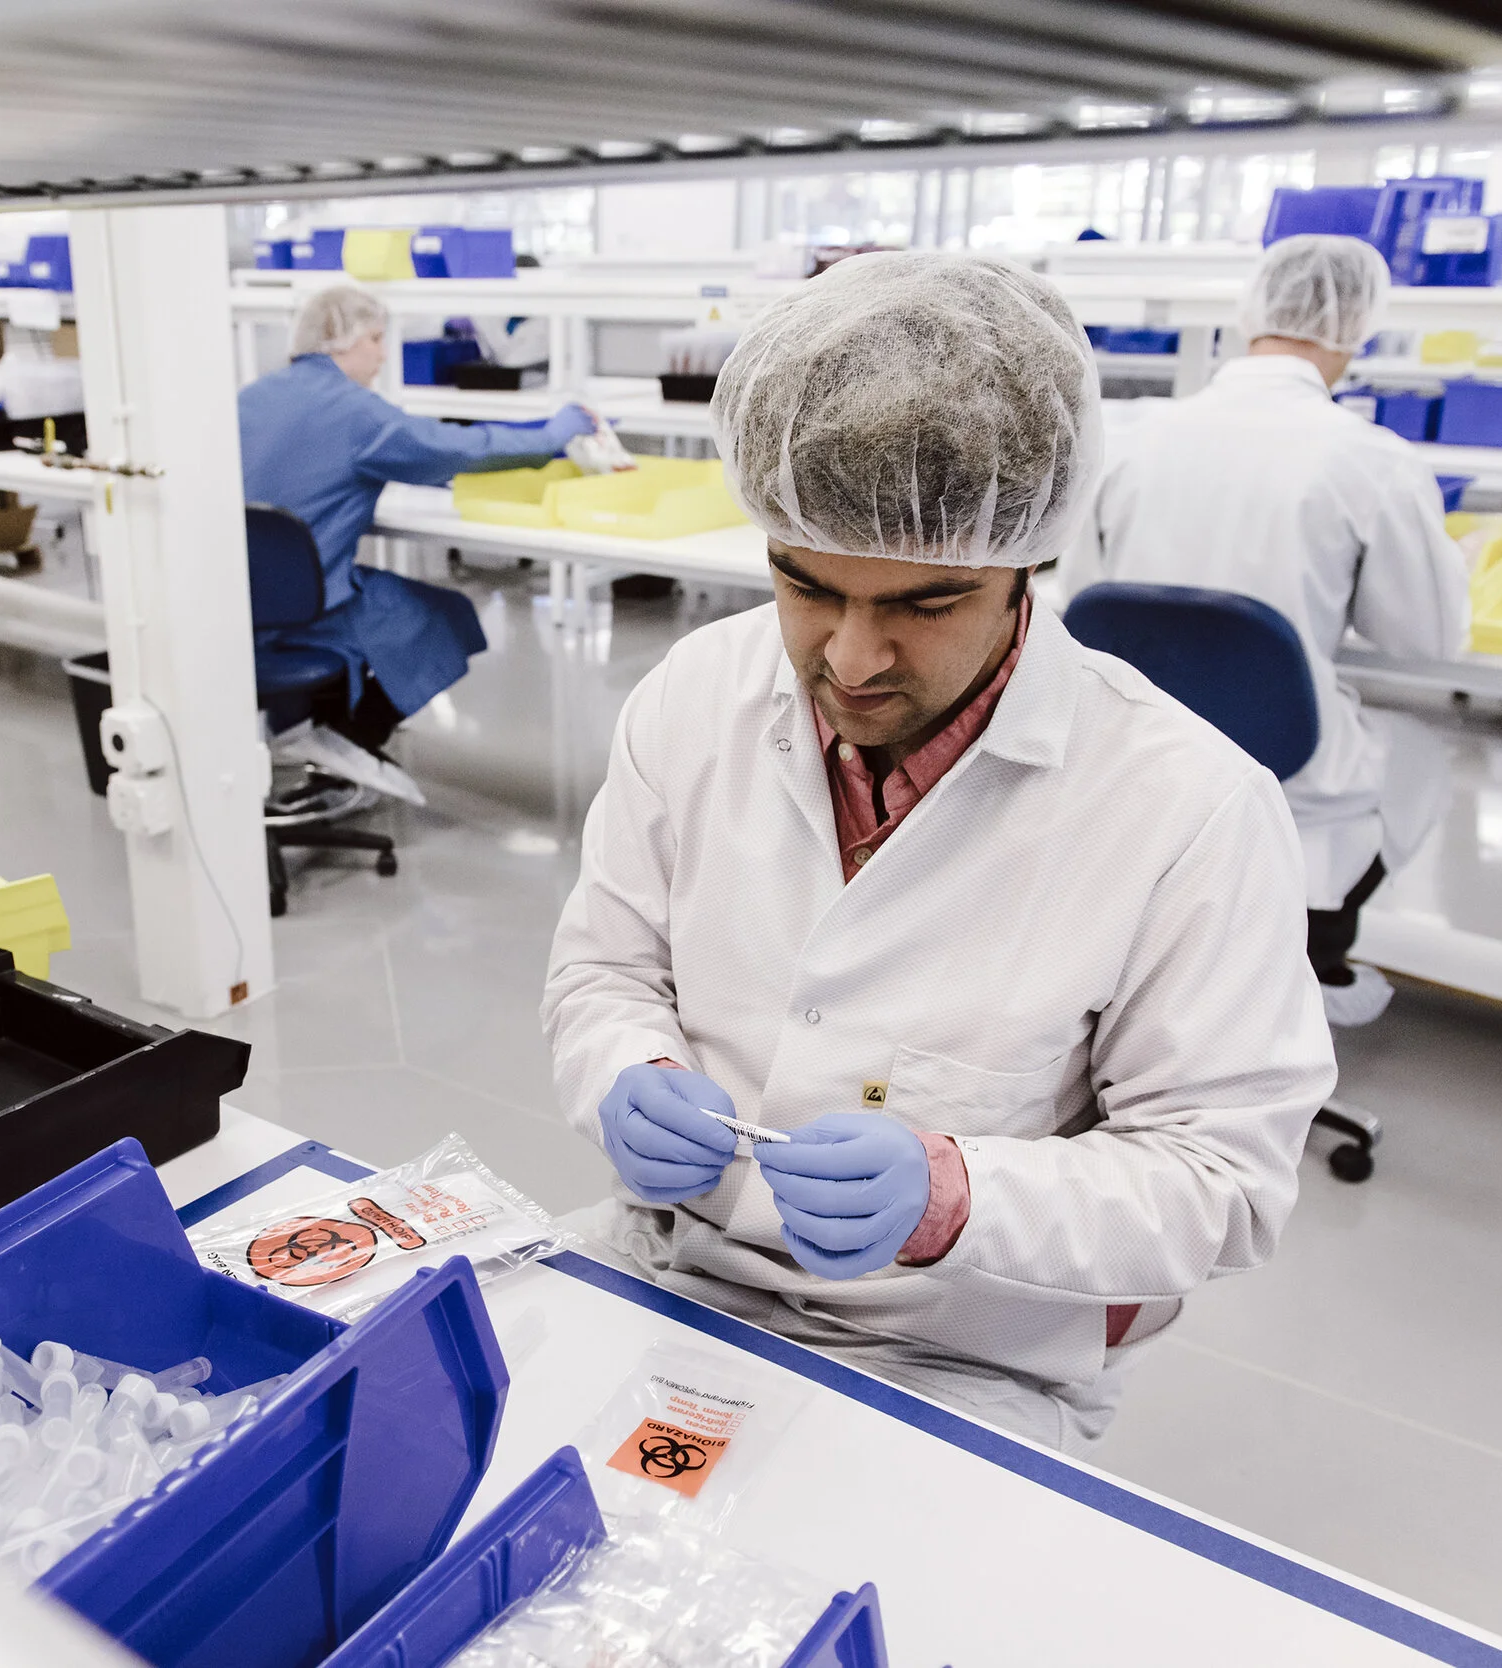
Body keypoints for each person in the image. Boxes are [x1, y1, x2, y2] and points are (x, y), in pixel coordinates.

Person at [542, 253, 1337, 1453]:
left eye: (922, 606)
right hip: (667, 1263)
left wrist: (959, 1196)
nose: (851, 661)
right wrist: (622, 1070)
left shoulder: (1188, 806)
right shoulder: (697, 690)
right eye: (803, 586)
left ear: (1027, 558)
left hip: (961, 1349)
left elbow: (1221, 1185)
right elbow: (602, 971)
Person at [1063, 234, 1468, 1026]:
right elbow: (1426, 639)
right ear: (1358, 327)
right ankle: (1301, 958)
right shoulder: (1370, 461)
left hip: (1137, 759)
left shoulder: (1135, 438)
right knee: (1420, 756)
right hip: (1291, 776)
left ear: (1251, 313)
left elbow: (1080, 604)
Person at [239, 284, 597, 750]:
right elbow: (458, 449)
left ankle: (324, 725)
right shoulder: (356, 412)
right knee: (445, 616)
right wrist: (552, 435)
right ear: (339, 338)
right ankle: (348, 740)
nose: (384, 356)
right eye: (375, 339)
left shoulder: (249, 398)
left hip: (239, 601)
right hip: (310, 610)